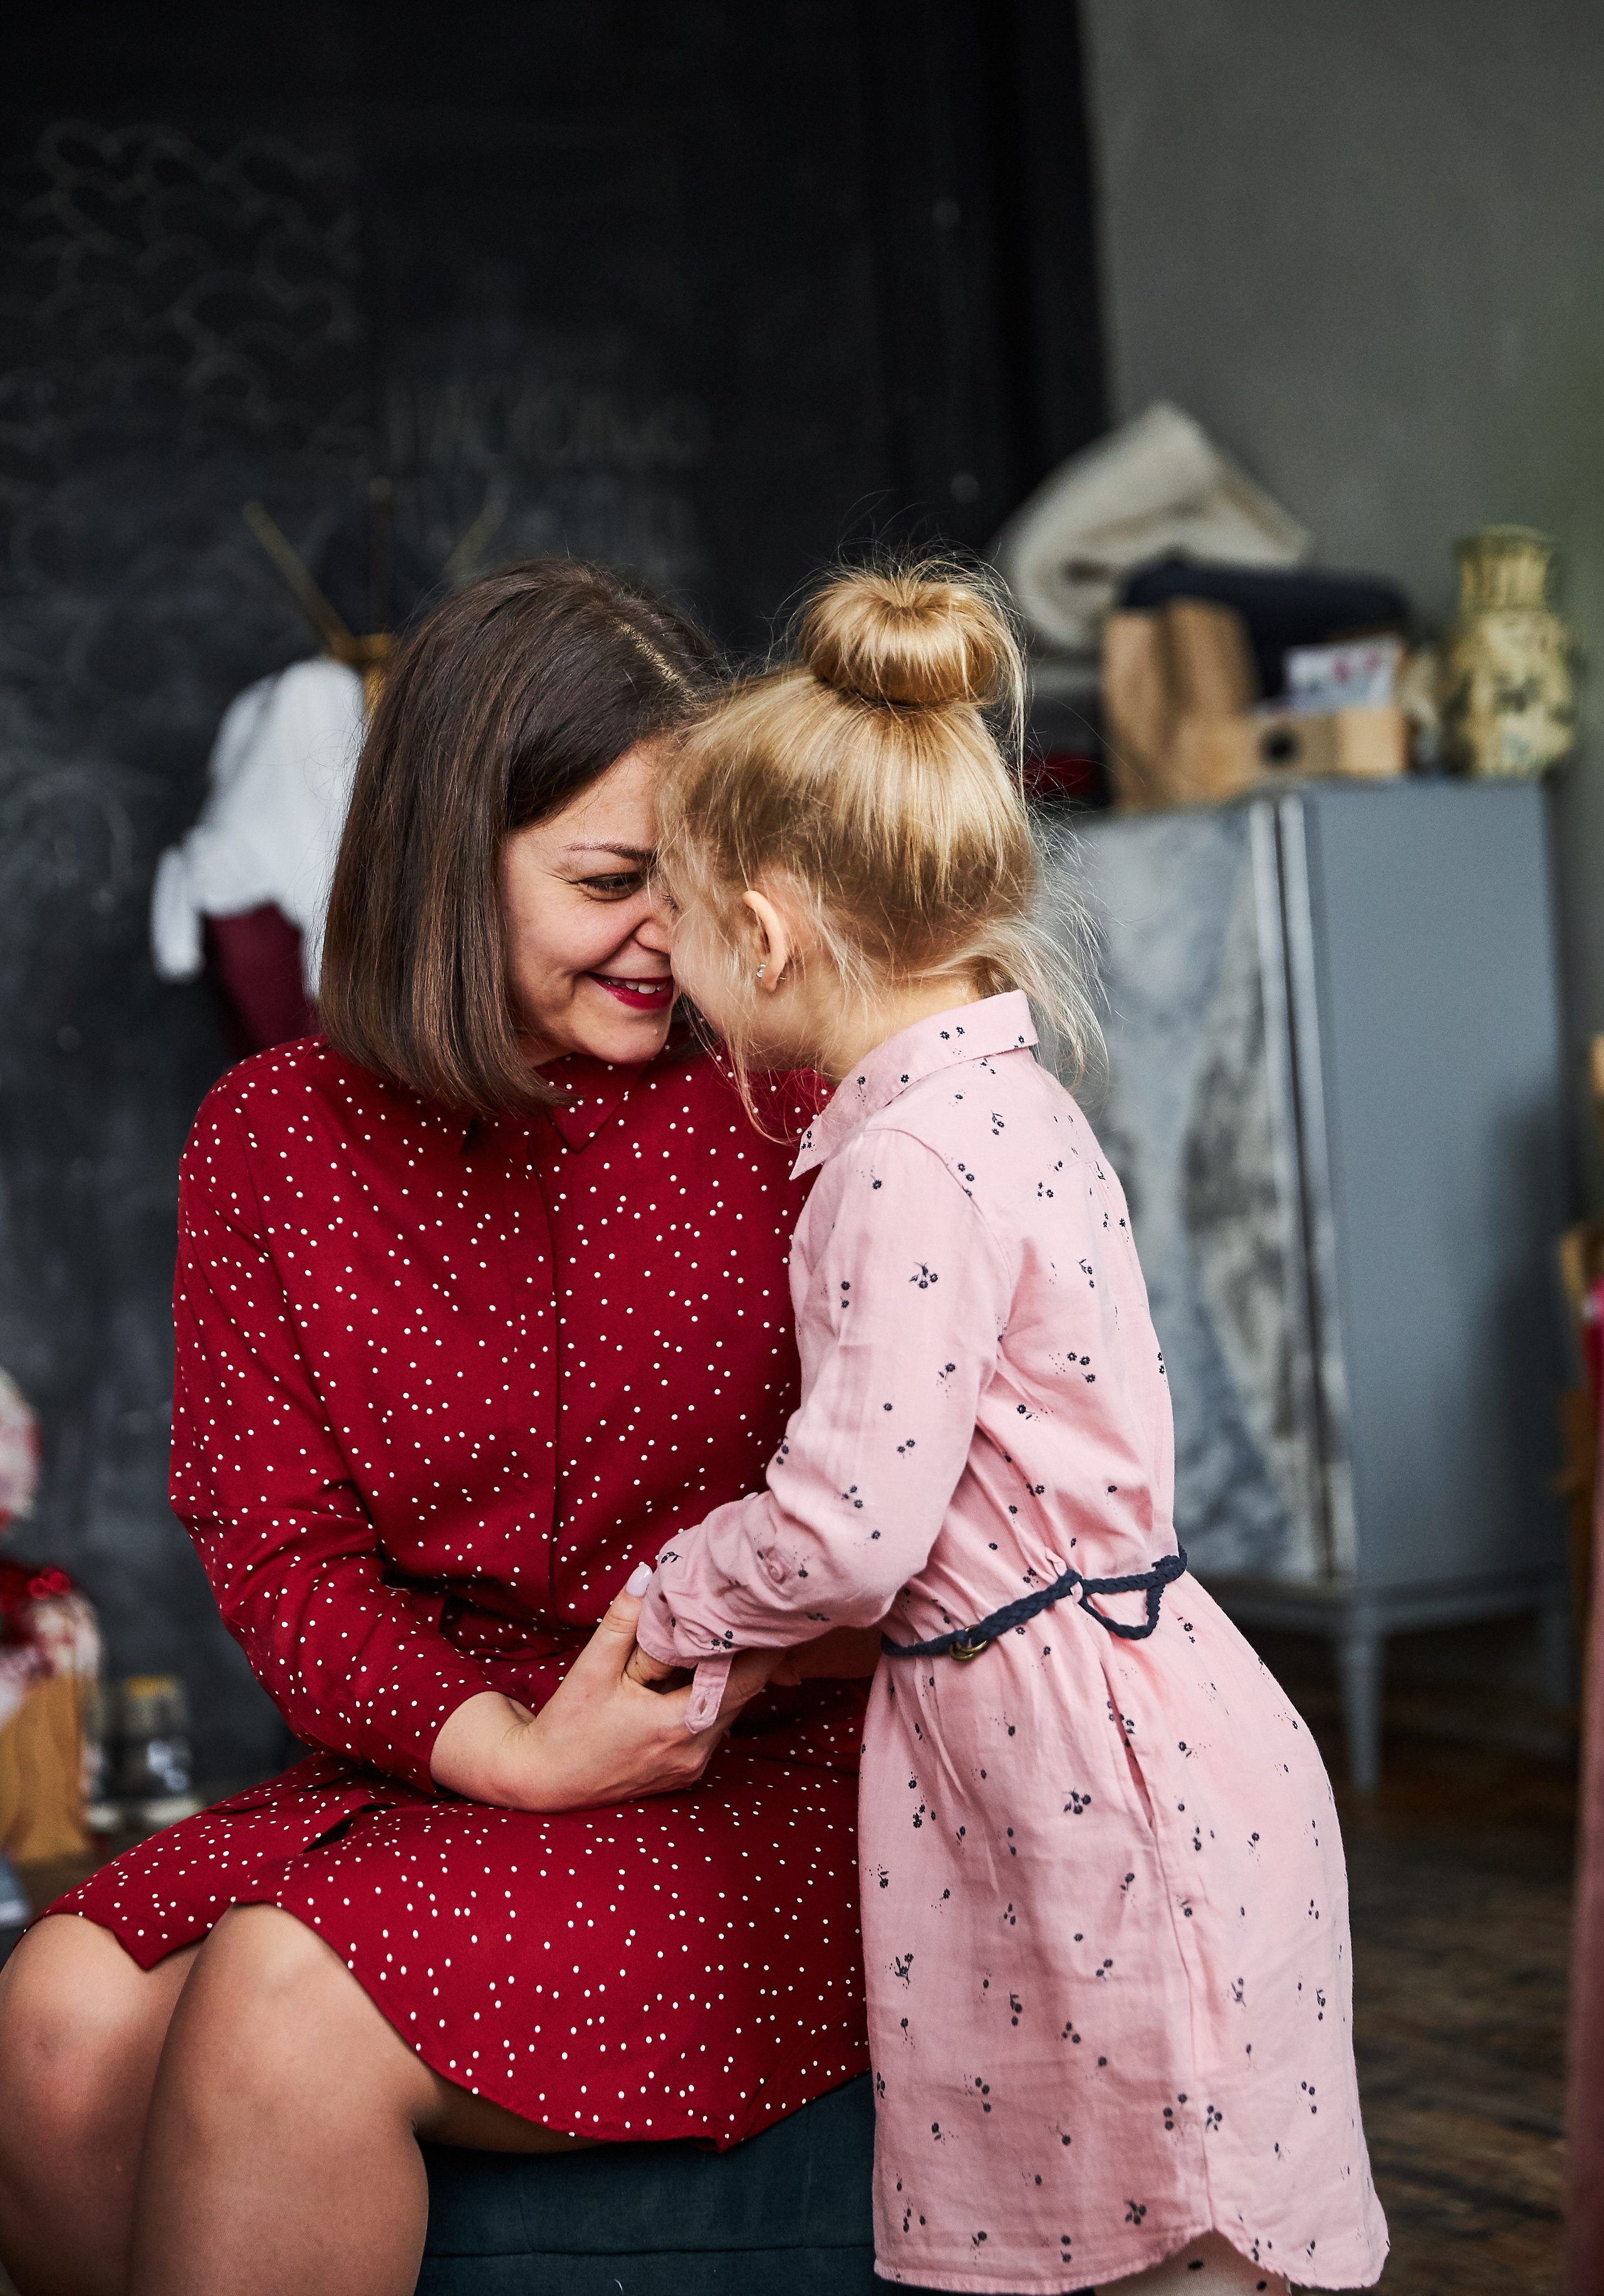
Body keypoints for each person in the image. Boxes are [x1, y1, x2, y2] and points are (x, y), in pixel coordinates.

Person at [0, 559, 873, 2296]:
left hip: (762, 1789)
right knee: (51, 2018)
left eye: (697, 876)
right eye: (610, 881)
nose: (670, 933)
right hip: (444, 1772)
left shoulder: (805, 1103)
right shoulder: (273, 1141)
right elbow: (281, 1558)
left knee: (283, 2000)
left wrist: (684, 1693)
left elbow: (947, 1521)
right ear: (446, 867)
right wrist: (509, 1753)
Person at [626, 561, 1390, 2296]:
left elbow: (849, 1530)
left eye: (673, 914)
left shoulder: (899, 1163)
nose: (664, 960)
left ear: (764, 933)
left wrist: (675, 1598)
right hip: (1147, 1716)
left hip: (1081, 1783)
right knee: (1167, 2233)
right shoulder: (1007, 1100)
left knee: (1153, 2237)